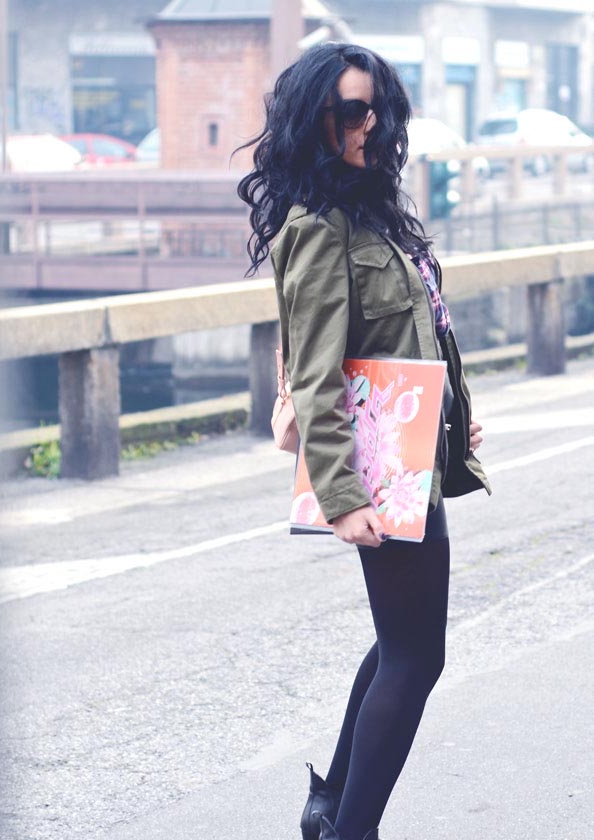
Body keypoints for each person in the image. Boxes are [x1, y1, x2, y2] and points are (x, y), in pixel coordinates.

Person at [236, 43, 491, 840]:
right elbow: (317, 377)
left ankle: (331, 810)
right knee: (415, 658)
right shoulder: (317, 228)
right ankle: (351, 829)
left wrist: (452, 421)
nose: (370, 124)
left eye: (378, 108)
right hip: (375, 468)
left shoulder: (370, 207)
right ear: (313, 120)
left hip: (408, 453)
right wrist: (343, 499)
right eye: (352, 110)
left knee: (400, 648)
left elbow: (416, 335)